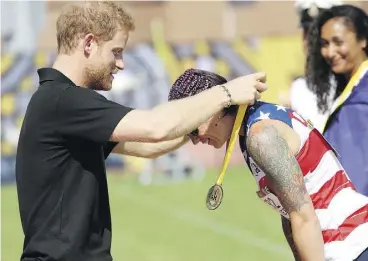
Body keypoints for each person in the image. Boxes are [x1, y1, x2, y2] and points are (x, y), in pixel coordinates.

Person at [15, 2, 268, 261]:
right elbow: (156, 127)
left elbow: (148, 146)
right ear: (89, 43)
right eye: (116, 52)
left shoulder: (62, 103)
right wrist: (226, 93)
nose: (121, 64)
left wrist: (201, 124)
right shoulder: (63, 101)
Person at [168, 68, 368, 261]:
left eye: (192, 128)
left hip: (351, 244)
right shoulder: (249, 130)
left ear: (213, 111)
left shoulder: (260, 136)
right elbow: (289, 213)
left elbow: (303, 217)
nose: (193, 139)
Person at [306, 4, 368, 196]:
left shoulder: (362, 95)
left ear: (363, 39)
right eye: (324, 44)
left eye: (338, 42)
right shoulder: (350, 89)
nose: (330, 52)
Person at [287, 0, 343, 132]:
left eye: (319, 34)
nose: (312, 41)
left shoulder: (354, 82)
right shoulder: (299, 88)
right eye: (307, 32)